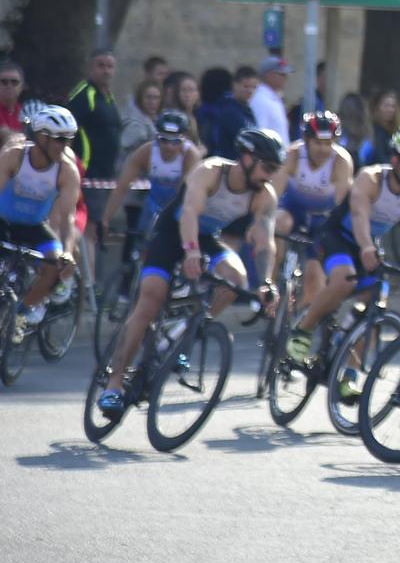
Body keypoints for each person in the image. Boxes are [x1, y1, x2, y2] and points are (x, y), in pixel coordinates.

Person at [98, 128, 284, 413]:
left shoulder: (264, 194)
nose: (270, 175)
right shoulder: (210, 172)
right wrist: (192, 250)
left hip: (208, 238)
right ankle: (114, 382)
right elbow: (188, 214)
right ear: (247, 158)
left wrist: (267, 281)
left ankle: (185, 333)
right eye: (267, 167)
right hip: (172, 235)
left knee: (237, 278)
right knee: (150, 301)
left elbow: (264, 239)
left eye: (275, 169)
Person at [289, 123, 400, 399]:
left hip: (368, 246)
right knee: (344, 279)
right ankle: (302, 332)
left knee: (375, 307)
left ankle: (348, 374)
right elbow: (360, 215)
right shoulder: (371, 178)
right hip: (339, 236)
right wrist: (364, 248)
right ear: (395, 159)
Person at [0, 107, 83, 342]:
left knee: (57, 267)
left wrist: (66, 252)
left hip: (35, 226)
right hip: (3, 221)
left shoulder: (67, 170)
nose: (64, 145)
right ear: (40, 136)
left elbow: (67, 217)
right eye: (59, 139)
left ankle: (20, 314)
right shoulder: (14, 155)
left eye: (68, 139)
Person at [271, 111, 355, 320]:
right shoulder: (293, 154)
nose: (323, 149)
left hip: (323, 218)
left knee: (314, 284)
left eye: (328, 144)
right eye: (317, 143)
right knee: (280, 222)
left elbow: (341, 205)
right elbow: (273, 193)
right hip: (293, 209)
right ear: (306, 140)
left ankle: (296, 319)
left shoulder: (341, 161)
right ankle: (271, 284)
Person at [100, 111, 199, 282]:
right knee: (141, 242)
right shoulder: (146, 152)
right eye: (164, 140)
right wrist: (105, 219)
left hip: (179, 201)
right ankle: (135, 280)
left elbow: (187, 195)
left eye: (175, 141)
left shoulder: (191, 155)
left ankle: (182, 277)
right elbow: (121, 187)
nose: (169, 147)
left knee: (176, 234)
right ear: (156, 137)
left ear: (183, 139)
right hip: (154, 202)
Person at [63, 48, 123, 234]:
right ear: (90, 68)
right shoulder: (83, 95)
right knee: (89, 227)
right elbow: (68, 131)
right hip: (88, 172)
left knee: (99, 228)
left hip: (106, 174)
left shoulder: (108, 97)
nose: (106, 70)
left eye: (110, 66)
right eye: (101, 66)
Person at [119, 78, 163, 157]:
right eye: (148, 97)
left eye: (156, 98)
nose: (152, 102)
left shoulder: (155, 121)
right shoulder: (135, 127)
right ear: (140, 99)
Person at [250, 56, 291, 136]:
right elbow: (260, 133)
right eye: (282, 74)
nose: (285, 78)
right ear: (270, 75)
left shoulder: (274, 98)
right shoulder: (260, 100)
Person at [0, 60, 25, 136]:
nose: (9, 86)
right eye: (4, 82)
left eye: (14, 82)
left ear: (22, 87)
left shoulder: (25, 113)